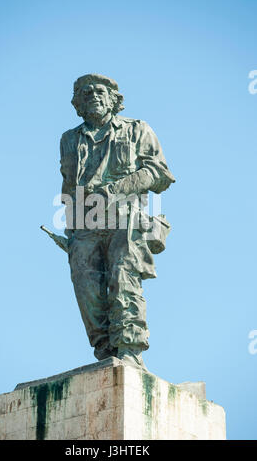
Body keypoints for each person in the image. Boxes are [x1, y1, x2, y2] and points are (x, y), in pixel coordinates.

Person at [59, 74, 175, 368]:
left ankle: (130, 350)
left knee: (123, 280)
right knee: (86, 288)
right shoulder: (69, 139)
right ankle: (105, 351)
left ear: (114, 100)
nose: (93, 97)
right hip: (86, 223)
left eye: (100, 92)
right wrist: (70, 230)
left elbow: (159, 173)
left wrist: (116, 189)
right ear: (78, 104)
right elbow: (68, 186)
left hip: (126, 217)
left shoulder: (137, 129)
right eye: (85, 94)